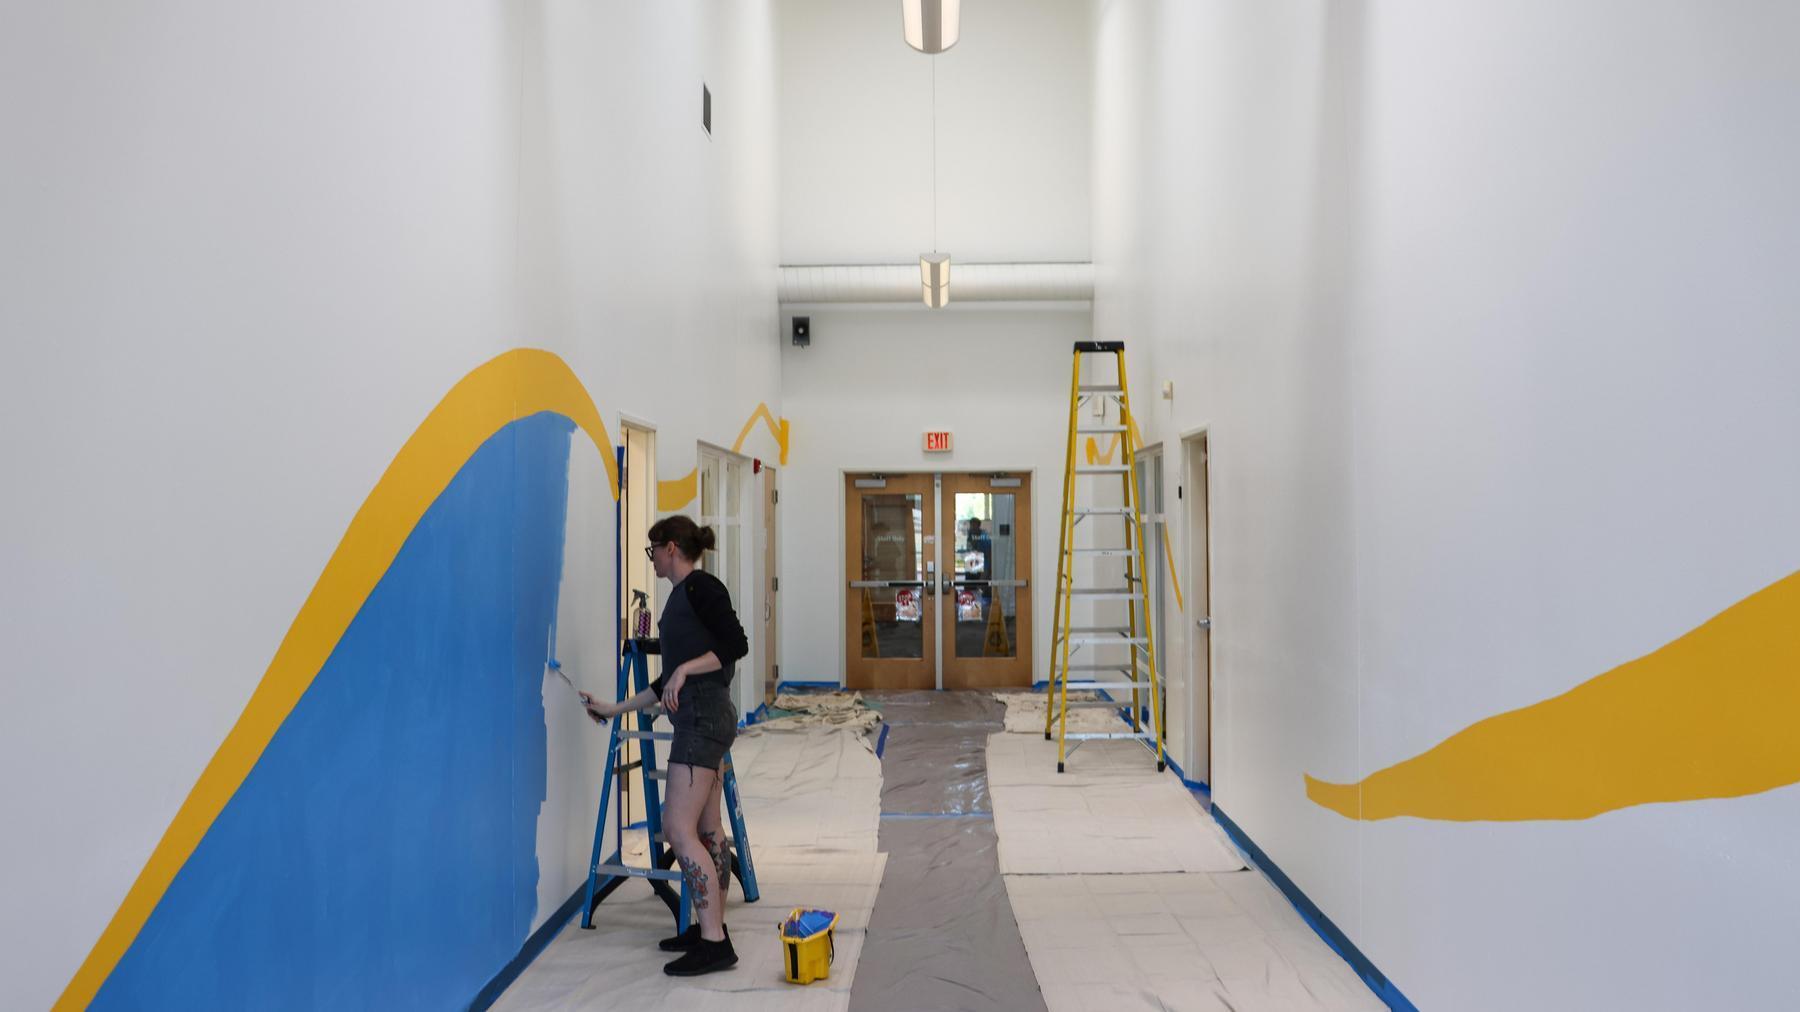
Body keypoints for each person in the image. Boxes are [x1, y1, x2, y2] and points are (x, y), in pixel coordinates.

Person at [580, 515, 748, 977]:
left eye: (653, 549)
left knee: (677, 828)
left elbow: (736, 645)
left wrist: (685, 670)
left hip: (703, 719)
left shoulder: (701, 587)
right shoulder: (680, 597)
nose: (651, 557)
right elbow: (663, 680)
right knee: (709, 830)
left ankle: (715, 942)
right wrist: (614, 708)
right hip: (700, 717)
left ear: (671, 547)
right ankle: (708, 926)